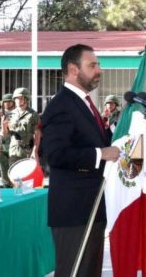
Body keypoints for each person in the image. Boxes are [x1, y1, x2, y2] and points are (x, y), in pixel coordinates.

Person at [41, 44, 121, 277]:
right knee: (74, 272)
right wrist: (100, 154)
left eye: (98, 65)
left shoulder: (85, 103)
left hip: (92, 208)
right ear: (74, 69)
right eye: (93, 65)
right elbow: (55, 154)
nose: (99, 70)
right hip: (73, 212)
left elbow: (97, 141)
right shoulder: (61, 105)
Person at [3, 87, 41, 172]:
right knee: (15, 179)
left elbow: (37, 134)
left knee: (28, 179)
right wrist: (4, 127)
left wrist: (35, 150)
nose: (18, 100)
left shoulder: (33, 114)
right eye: (16, 98)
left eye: (20, 98)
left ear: (26, 99)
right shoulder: (11, 114)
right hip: (14, 151)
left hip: (27, 151)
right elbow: (6, 135)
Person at [0, 93, 14, 186]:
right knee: (3, 166)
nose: (7, 103)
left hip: (13, 140)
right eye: (5, 102)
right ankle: (6, 185)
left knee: (13, 166)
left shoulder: (17, 111)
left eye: (9, 101)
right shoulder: (1, 111)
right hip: (2, 140)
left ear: (13, 102)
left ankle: (12, 185)